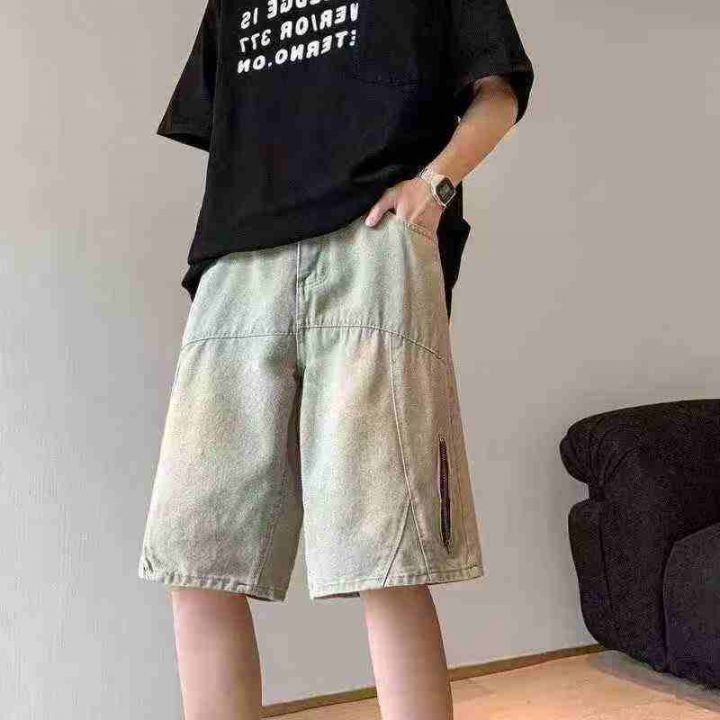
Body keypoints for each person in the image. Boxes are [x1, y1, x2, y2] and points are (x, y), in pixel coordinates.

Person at [138, 1, 533, 718]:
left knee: (387, 555)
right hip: (238, 262)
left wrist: (434, 186)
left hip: (371, 243)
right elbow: (235, 132)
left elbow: (498, 93)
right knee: (196, 555)